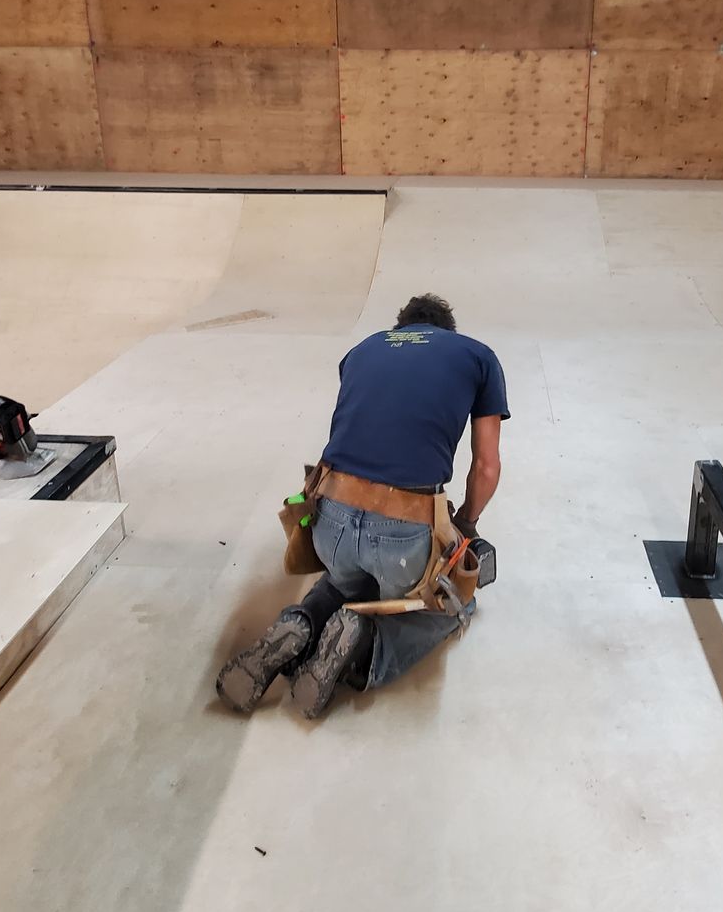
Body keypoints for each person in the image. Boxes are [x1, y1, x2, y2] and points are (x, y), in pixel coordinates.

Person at [217, 293, 508, 720]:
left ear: (400, 327)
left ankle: (302, 622)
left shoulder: (362, 350)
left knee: (343, 580)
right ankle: (366, 641)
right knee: (454, 601)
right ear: (447, 331)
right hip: (402, 536)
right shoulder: (477, 356)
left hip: (328, 520)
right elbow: (486, 467)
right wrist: (465, 523)